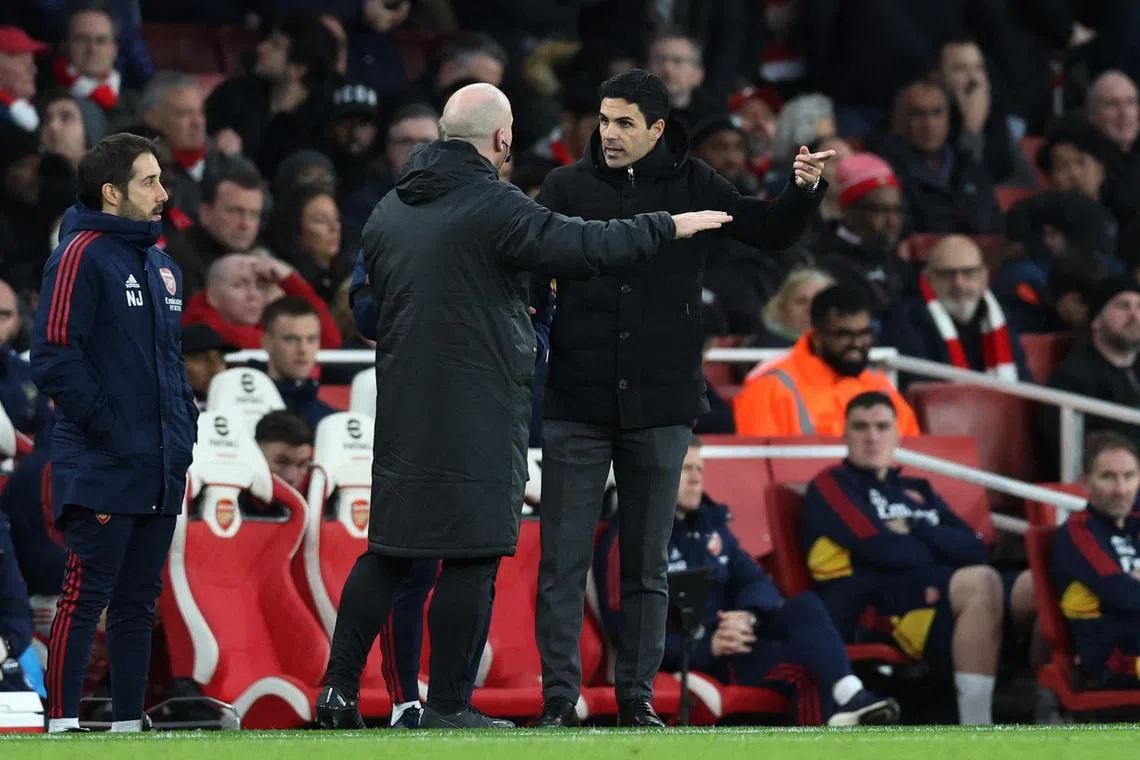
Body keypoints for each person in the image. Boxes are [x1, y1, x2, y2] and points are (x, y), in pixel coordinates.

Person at [316, 81, 731, 731]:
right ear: (502, 139)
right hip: (478, 404)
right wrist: (669, 225)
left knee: (391, 551)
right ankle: (450, 706)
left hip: (404, 405)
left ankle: (337, 692)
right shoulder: (497, 206)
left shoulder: (389, 210)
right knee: (473, 553)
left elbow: (368, 311)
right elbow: (585, 247)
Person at [532, 68, 831, 729]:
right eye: (604, 121)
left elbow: (766, 229)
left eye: (624, 124)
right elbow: (534, 269)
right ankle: (559, 700)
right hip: (575, 399)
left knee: (647, 559)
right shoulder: (564, 186)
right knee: (563, 559)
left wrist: (802, 190)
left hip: (661, 402)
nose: (608, 134)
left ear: (657, 130)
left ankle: (638, 698)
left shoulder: (695, 181)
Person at [29, 132, 198, 733]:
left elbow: (170, 364)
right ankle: (62, 724)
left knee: (138, 600)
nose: (162, 192)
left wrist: (183, 431)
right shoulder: (80, 253)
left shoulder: (164, 266)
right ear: (111, 192)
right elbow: (51, 353)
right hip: (102, 460)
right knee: (86, 592)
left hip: (158, 460)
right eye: (149, 181)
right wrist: (110, 428)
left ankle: (128, 726)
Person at [594, 436, 900, 726]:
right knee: (807, 672)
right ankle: (835, 729)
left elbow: (757, 582)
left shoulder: (711, 526)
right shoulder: (629, 539)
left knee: (804, 606)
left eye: (700, 469)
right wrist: (706, 646)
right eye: (686, 468)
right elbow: (627, 630)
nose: (696, 478)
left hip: (736, 641)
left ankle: (852, 694)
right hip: (693, 658)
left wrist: (747, 617)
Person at [800, 392, 1036, 725]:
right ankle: (977, 726)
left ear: (898, 434)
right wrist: (933, 543)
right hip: (880, 603)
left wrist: (915, 528)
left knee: (1034, 586)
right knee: (980, 581)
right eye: (861, 427)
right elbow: (882, 550)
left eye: (882, 427)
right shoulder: (832, 486)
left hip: (939, 586)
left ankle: (1050, 710)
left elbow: (975, 547)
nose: (872, 436)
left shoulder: (917, 489)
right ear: (845, 434)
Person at [733, 284, 920, 437]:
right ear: (817, 336)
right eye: (844, 335)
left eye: (864, 334)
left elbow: (911, 447)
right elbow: (757, 466)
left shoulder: (878, 383)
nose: (856, 344)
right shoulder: (770, 386)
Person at [1051, 432, 1140, 690]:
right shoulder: (1080, 532)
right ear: (1086, 483)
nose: (1121, 490)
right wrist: (1129, 581)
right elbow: (1121, 594)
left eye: (1129, 476)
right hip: (1119, 659)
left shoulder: (1134, 524)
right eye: (1108, 477)